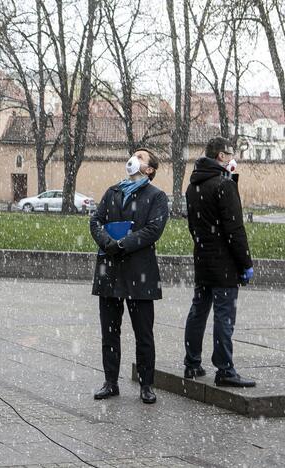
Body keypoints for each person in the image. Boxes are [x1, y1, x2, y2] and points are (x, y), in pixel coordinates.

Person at [89, 148, 168, 404]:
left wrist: (123, 244)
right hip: (110, 271)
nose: (134, 159)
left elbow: (153, 229)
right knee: (109, 332)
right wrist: (108, 242)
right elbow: (96, 221)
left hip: (139, 272)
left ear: (149, 169)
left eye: (141, 157)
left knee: (143, 333)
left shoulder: (156, 196)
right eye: (134, 154)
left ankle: (147, 385)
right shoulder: (113, 191)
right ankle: (110, 382)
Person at [182, 137, 255, 387]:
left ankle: (192, 363)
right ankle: (224, 370)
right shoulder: (223, 185)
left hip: (203, 258)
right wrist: (245, 263)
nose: (234, 156)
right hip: (224, 263)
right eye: (231, 152)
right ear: (221, 156)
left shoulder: (193, 186)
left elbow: (193, 225)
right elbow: (234, 228)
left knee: (199, 310)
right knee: (224, 315)